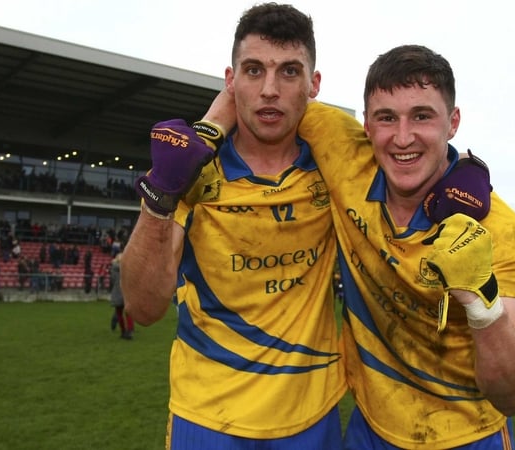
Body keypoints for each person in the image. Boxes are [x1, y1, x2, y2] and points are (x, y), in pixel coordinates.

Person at [121, 4, 346, 449]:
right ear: (230, 79)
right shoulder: (196, 172)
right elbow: (144, 308)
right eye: (253, 69)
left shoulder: (336, 166)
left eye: (288, 72)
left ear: (313, 84)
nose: (268, 89)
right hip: (207, 419)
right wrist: (162, 192)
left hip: (310, 420)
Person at [295, 45, 515, 449]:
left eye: (422, 116)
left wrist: (482, 303)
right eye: (386, 118)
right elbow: (262, 95)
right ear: (367, 126)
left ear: (453, 122)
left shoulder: (504, 234)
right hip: (370, 429)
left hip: (467, 435)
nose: (403, 137)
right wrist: (210, 127)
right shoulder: (343, 153)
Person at [109, 254, 133, 340]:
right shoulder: (128, 269)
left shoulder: (113, 269)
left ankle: (123, 331)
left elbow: (112, 280)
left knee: (119, 314)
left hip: (117, 293)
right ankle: (129, 331)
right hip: (126, 292)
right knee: (129, 314)